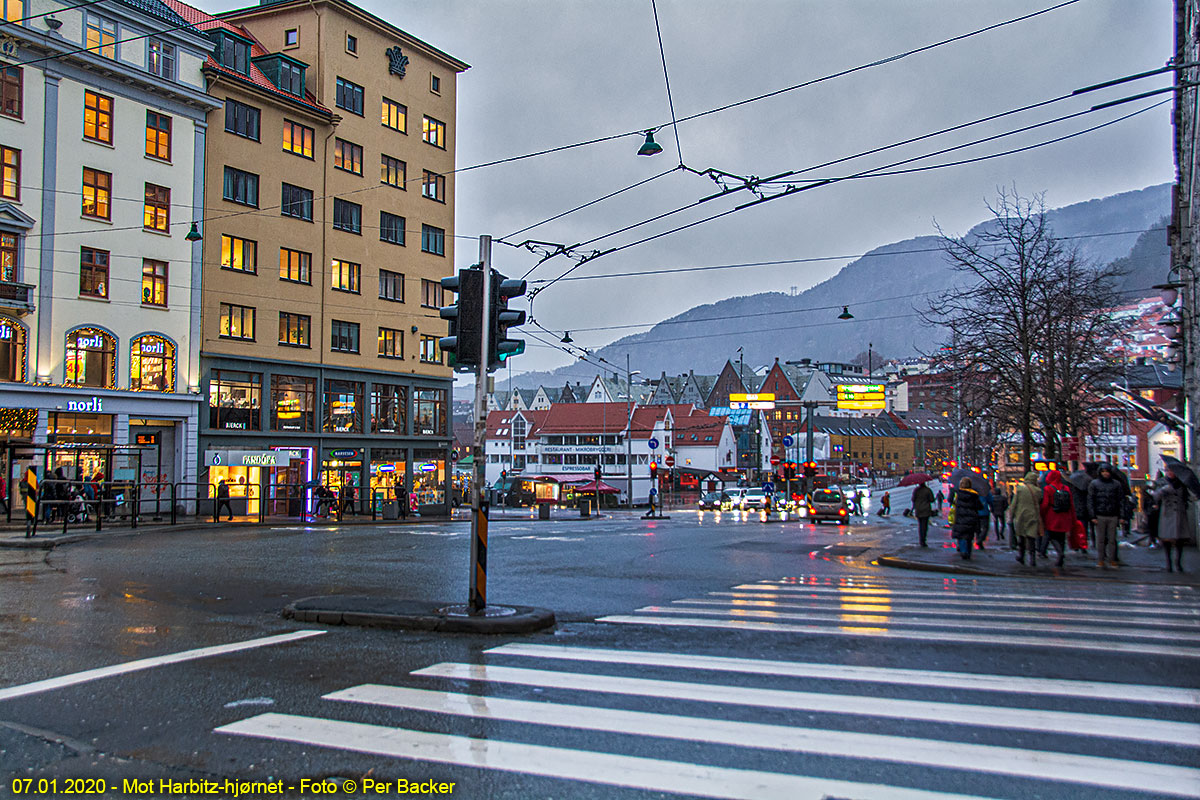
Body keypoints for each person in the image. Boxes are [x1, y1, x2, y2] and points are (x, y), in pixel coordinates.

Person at [1154, 472, 1195, 572]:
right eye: (1168, 471)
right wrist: (1163, 489)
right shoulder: (1162, 483)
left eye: (1172, 472)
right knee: (1166, 539)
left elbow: (1188, 497)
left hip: (1180, 514)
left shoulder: (1182, 483)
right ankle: (1169, 563)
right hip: (1167, 514)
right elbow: (1155, 496)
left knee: (1180, 540)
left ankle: (1178, 562)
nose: (1170, 473)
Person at [1087, 464, 1124, 569]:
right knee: (1101, 539)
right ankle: (1101, 559)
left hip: (1112, 514)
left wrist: (1121, 516)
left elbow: (1121, 500)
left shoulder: (1116, 484)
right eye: (1103, 471)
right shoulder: (1094, 484)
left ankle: (1111, 559)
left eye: (1107, 471)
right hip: (1100, 514)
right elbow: (1090, 500)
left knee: (1112, 539)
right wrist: (1093, 516)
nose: (1105, 473)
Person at [1039, 469, 1074, 569]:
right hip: (1064, 515)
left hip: (1052, 515)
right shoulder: (1066, 488)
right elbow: (1071, 503)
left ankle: (1060, 553)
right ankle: (1061, 557)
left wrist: (1042, 514)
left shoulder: (1048, 489)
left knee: (1051, 536)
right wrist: (1072, 517)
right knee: (1061, 537)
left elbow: (1045, 504)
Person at [1009, 471, 1042, 567]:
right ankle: (1032, 558)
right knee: (1031, 538)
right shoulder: (1038, 491)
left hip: (1021, 516)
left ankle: (1021, 556)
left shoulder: (1020, 489)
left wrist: (1011, 515)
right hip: (1033, 515)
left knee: (1021, 537)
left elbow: (1014, 504)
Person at [950, 477, 982, 559]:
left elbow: (951, 502)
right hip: (971, 518)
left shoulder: (957, 493)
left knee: (961, 536)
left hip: (960, 517)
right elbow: (979, 506)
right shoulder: (974, 495)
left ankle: (963, 551)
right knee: (969, 536)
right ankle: (968, 551)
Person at [911, 481, 935, 547]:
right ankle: (923, 540)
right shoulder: (928, 490)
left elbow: (913, 499)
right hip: (926, 510)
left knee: (920, 525)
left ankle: (921, 539)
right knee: (924, 525)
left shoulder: (916, 490)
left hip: (918, 510)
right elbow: (932, 500)